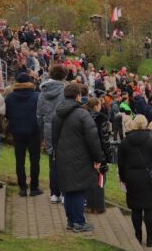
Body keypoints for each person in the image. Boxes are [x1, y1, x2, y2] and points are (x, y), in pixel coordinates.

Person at [53, 83, 104, 232]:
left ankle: (71, 221)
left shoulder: (57, 113)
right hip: (80, 158)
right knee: (78, 190)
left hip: (63, 156)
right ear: (78, 96)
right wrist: (98, 158)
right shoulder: (82, 114)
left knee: (69, 190)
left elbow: (53, 137)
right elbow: (93, 139)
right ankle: (79, 223)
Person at [117, 114, 152, 247]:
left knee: (136, 209)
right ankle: (150, 237)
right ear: (146, 124)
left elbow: (121, 163)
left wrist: (123, 178)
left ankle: (138, 234)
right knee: (149, 208)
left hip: (132, 179)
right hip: (149, 179)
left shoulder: (125, 142)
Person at [5, 73, 42, 196]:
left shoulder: (9, 97)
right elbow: (41, 114)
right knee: (35, 160)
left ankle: (22, 188)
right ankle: (34, 187)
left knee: (19, 160)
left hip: (17, 132)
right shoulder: (37, 96)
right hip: (34, 131)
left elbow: (7, 114)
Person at [37, 64, 68, 203]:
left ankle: (54, 193)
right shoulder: (65, 91)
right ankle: (62, 193)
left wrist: (42, 133)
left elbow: (39, 115)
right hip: (64, 130)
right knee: (66, 163)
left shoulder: (43, 93)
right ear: (64, 76)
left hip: (49, 130)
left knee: (53, 162)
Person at [85, 98, 113, 214]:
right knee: (100, 180)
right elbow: (105, 140)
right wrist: (108, 156)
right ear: (96, 105)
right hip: (99, 152)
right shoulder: (101, 119)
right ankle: (99, 206)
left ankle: (89, 205)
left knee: (89, 179)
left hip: (86, 153)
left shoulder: (83, 117)